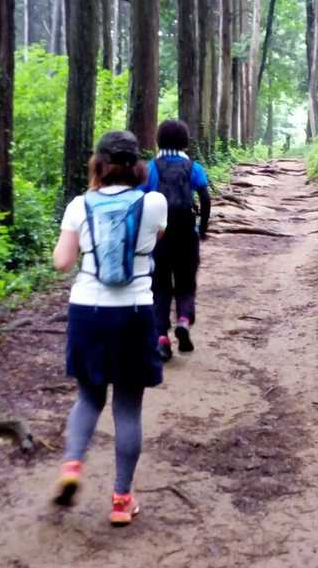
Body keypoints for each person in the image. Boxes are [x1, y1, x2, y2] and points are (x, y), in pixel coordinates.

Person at [51, 130, 167, 525]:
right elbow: (156, 240)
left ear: (98, 163)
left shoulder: (79, 205)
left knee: (88, 398)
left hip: (88, 310)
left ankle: (72, 465)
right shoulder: (153, 202)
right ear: (137, 165)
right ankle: (121, 500)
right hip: (134, 311)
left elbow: (62, 262)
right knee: (128, 408)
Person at [143, 119, 211, 361]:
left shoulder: (150, 168)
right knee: (186, 282)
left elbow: (140, 200)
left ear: (158, 141)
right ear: (185, 142)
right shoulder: (194, 167)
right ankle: (183, 320)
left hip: (159, 235)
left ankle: (162, 338)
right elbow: (205, 198)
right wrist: (202, 228)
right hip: (186, 232)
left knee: (159, 287)